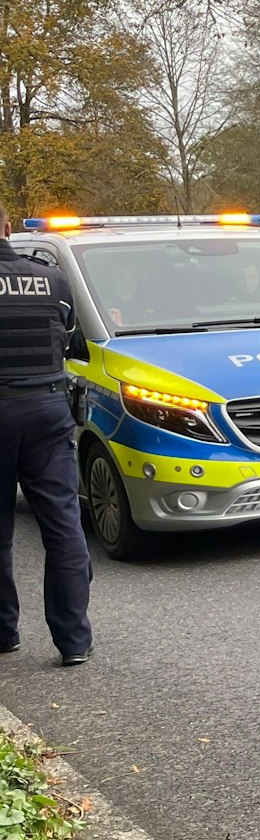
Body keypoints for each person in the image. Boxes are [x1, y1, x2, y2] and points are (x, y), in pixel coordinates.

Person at [0, 202, 92, 666]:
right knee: (63, 525)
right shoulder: (51, 279)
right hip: (47, 409)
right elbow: (70, 339)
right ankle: (73, 641)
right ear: (7, 227)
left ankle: (4, 632)